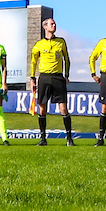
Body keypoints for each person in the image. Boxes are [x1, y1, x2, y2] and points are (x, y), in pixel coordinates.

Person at [29, 18, 73, 146]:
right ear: (45, 27)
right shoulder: (39, 44)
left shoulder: (61, 42)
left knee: (63, 108)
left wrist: (66, 75)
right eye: (51, 24)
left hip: (58, 77)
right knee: (42, 108)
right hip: (44, 78)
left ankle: (69, 138)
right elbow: (33, 62)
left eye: (54, 24)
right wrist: (32, 79)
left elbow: (67, 59)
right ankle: (43, 139)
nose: (54, 25)